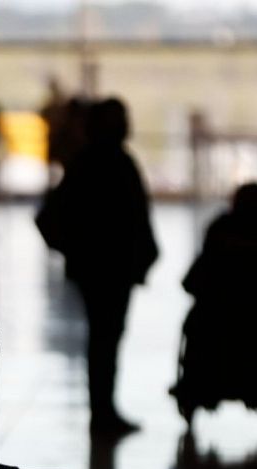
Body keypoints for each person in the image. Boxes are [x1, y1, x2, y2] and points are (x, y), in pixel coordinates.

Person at [36, 97, 157, 436]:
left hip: (97, 268)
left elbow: (50, 218)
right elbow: (137, 218)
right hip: (112, 268)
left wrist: (75, 252)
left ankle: (103, 410)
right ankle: (103, 412)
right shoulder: (113, 162)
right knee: (107, 338)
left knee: (102, 338)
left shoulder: (85, 162)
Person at [172, 182, 257, 414]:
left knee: (199, 322)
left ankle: (202, 380)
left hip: (219, 318)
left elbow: (195, 279)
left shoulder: (222, 228)